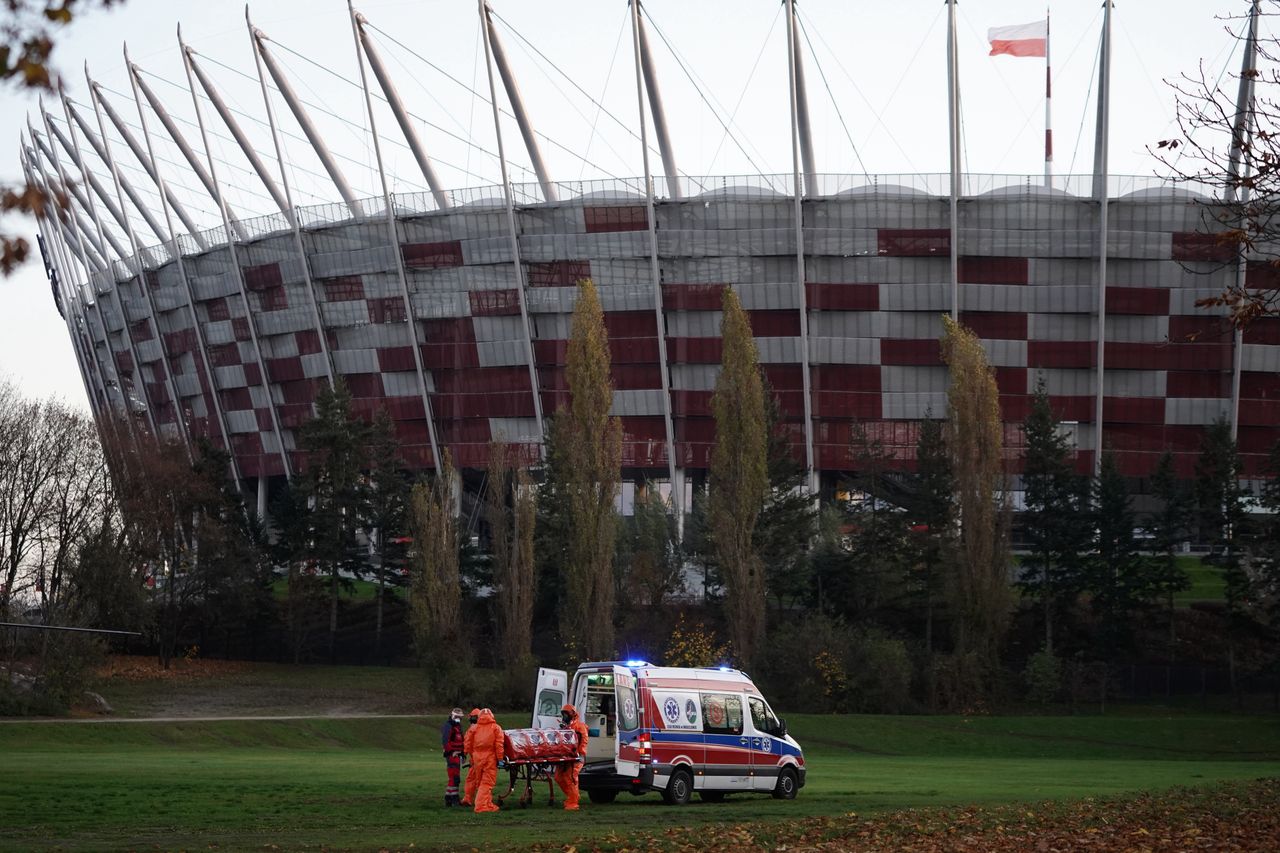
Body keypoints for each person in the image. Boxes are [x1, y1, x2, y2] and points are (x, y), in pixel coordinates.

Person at [468, 708, 505, 813]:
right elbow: (499, 745)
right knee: (487, 782)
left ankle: (486, 803)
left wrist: (472, 755)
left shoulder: (474, 728)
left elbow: (468, 744)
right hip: (490, 758)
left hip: (477, 758)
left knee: (480, 782)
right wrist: (500, 759)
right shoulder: (496, 728)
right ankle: (480, 806)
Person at [554, 703, 589, 811]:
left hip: (576, 757)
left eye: (566, 714)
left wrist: (579, 753)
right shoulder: (565, 727)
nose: (564, 716)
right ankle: (572, 796)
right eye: (563, 714)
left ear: (572, 714)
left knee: (570, 778)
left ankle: (573, 802)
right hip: (566, 756)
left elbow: (584, 741)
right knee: (558, 777)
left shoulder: (579, 726)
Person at [440, 708, 464, 807]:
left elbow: (461, 741)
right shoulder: (449, 726)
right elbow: (445, 741)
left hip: (457, 754)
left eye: (460, 717)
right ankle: (454, 799)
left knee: (454, 778)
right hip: (452, 755)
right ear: (453, 716)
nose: (459, 718)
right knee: (454, 778)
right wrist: (451, 752)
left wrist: (462, 753)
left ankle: (449, 798)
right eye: (457, 717)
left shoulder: (458, 726)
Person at [459, 707, 481, 807]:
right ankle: (482, 800)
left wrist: (464, 754)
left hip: (475, 759)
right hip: (487, 760)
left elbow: (467, 744)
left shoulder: (471, 730)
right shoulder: (489, 728)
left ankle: (468, 799)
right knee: (483, 781)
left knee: (471, 780)